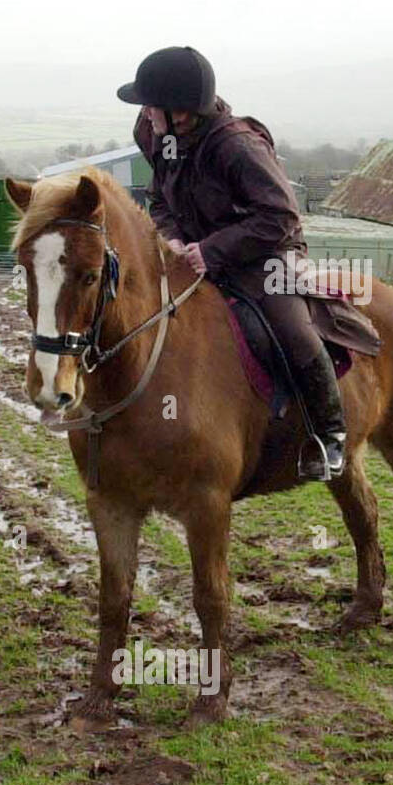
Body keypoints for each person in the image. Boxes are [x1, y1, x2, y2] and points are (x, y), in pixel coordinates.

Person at [118, 45, 345, 480]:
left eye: (151, 104)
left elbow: (280, 217)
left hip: (266, 251)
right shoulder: (154, 134)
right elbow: (159, 197)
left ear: (180, 110)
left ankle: (329, 434)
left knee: (293, 330)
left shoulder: (238, 147)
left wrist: (212, 250)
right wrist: (173, 237)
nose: (145, 112)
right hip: (194, 250)